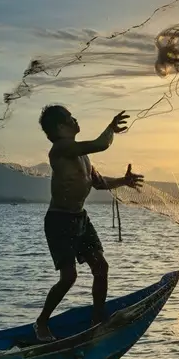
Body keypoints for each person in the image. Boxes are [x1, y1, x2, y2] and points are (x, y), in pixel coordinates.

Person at [33, 105, 144, 342]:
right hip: (59, 220)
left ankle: (97, 320)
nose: (75, 119)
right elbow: (101, 144)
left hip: (80, 218)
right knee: (69, 277)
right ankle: (41, 322)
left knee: (101, 268)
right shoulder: (61, 149)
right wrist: (111, 128)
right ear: (61, 127)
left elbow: (99, 183)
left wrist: (123, 181)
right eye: (70, 117)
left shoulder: (82, 155)